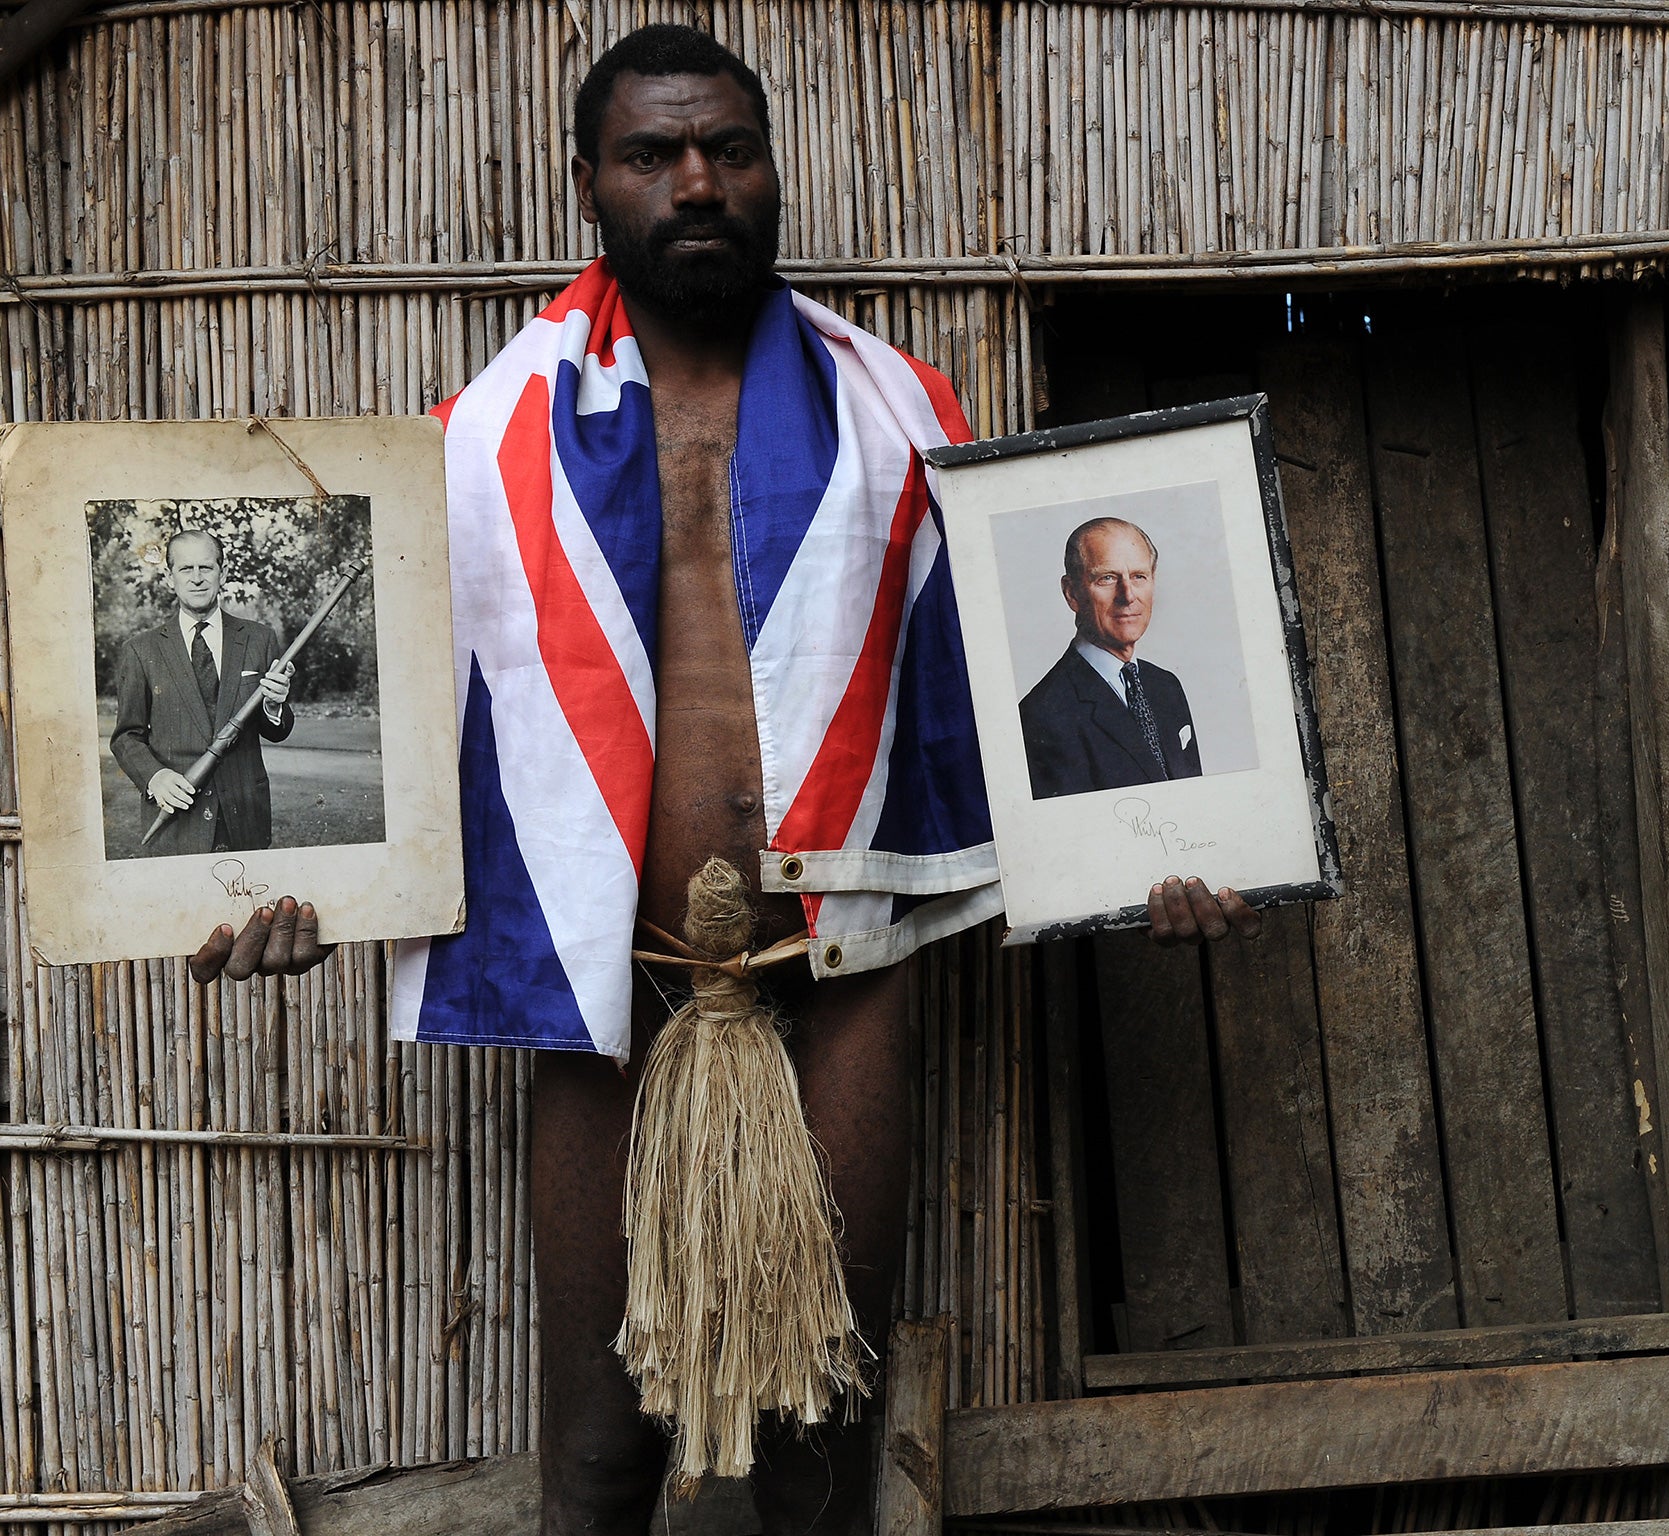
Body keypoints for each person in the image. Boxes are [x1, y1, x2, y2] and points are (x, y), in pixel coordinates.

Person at [190, 27, 1262, 1536]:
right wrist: (261, 885)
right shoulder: (480, 440)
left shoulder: (900, 413)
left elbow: (1004, 703)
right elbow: (377, 723)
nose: (697, 184)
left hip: (838, 976)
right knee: (597, 1463)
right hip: (611, 990)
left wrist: (1158, 845)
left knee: (824, 1458)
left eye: (728, 150)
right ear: (588, 186)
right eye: (651, 155)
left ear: (769, 169)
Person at [109, 528, 296, 856]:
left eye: (206, 567)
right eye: (185, 569)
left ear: (222, 573)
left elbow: (276, 730)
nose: (196, 578)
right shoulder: (140, 650)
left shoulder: (259, 639)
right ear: (170, 578)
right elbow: (126, 737)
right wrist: (155, 778)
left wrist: (274, 706)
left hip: (245, 819)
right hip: (177, 820)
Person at [1019, 517, 1202, 799]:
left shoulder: (1166, 686)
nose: (1128, 596)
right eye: (1107, 578)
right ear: (1072, 593)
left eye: (1139, 576)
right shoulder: (1043, 714)